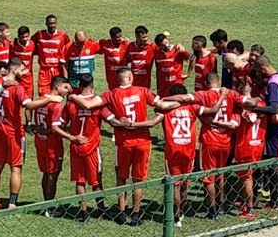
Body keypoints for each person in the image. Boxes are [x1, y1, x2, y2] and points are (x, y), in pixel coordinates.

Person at [68, 66, 177, 226]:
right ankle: (136, 214)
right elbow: (164, 106)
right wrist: (185, 101)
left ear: (117, 79)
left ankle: (121, 212)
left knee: (121, 178)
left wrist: (72, 97)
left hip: (123, 143)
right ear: (131, 77)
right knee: (139, 180)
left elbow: (89, 105)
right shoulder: (143, 91)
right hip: (143, 141)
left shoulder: (110, 94)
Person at [163, 72, 248, 219]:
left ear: (205, 83)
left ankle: (211, 208)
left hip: (208, 140)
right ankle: (221, 204)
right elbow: (248, 103)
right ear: (218, 81)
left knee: (208, 177)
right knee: (220, 174)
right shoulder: (230, 94)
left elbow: (184, 99)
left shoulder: (201, 96)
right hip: (225, 141)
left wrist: (163, 98)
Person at [0, 58, 63, 211]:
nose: (24, 73)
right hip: (13, 133)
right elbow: (29, 105)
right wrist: (49, 99)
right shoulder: (17, 87)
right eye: (22, 70)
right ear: (14, 70)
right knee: (16, 168)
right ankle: (12, 203)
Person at [157, 84, 224, 228]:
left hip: (173, 150)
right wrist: (223, 95)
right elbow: (213, 110)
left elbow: (158, 105)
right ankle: (181, 211)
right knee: (185, 183)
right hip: (189, 150)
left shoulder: (166, 109)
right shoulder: (193, 108)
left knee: (174, 184)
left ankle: (175, 217)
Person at [60, 73, 122, 222]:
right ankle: (101, 209)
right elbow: (112, 121)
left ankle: (84, 213)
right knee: (96, 181)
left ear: (79, 86)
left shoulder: (71, 104)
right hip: (92, 148)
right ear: (92, 86)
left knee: (80, 181)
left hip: (76, 146)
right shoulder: (97, 104)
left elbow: (61, 123)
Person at [247, 55, 278, 211]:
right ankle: (277, 198)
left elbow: (273, 108)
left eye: (257, 71)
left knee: (273, 164)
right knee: (270, 162)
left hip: (275, 128)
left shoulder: (273, 83)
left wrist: (254, 108)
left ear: (262, 68)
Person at [232, 79, 271, 220]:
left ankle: (249, 210)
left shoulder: (241, 107)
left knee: (247, 179)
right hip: (258, 145)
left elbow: (249, 117)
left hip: (245, 147)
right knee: (249, 177)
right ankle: (246, 203)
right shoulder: (261, 104)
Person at [33, 76, 73, 208]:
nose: (69, 90)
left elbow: (37, 124)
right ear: (57, 87)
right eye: (66, 87)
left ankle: (46, 203)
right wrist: (71, 137)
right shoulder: (56, 106)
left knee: (46, 174)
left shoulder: (40, 101)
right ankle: (49, 206)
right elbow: (55, 129)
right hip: (52, 145)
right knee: (53, 175)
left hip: (40, 141)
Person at [32, 14, 71, 97]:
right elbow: (31, 44)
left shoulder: (62, 35)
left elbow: (69, 47)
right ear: (46, 23)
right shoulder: (40, 34)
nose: (52, 25)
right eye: (50, 23)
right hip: (44, 70)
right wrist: (39, 51)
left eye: (54, 23)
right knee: (43, 96)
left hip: (57, 70)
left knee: (57, 96)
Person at [11, 26, 37, 133]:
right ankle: (15, 123)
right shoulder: (13, 45)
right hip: (17, 79)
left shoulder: (32, 45)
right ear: (18, 36)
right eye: (23, 37)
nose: (25, 39)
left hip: (28, 79)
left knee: (29, 102)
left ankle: (29, 125)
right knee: (16, 102)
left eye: (27, 37)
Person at [153, 33, 190, 98]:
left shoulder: (177, 49)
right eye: (163, 45)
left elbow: (192, 57)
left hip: (177, 84)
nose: (166, 46)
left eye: (166, 42)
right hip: (163, 86)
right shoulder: (157, 53)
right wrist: (158, 87)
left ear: (167, 39)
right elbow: (158, 70)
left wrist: (188, 73)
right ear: (159, 46)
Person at [97, 27, 129, 91]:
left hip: (124, 76)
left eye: (121, 36)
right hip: (111, 78)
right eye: (118, 37)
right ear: (112, 37)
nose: (120, 39)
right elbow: (94, 46)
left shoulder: (126, 44)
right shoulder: (105, 44)